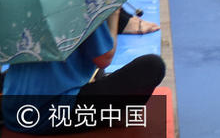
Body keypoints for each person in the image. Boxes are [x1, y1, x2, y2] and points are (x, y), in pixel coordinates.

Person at [2, 10, 166, 134]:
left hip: (12, 105)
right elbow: (104, 58)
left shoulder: (25, 2)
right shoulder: (84, 3)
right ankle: (115, 116)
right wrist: (114, 15)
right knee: (152, 66)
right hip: (48, 114)